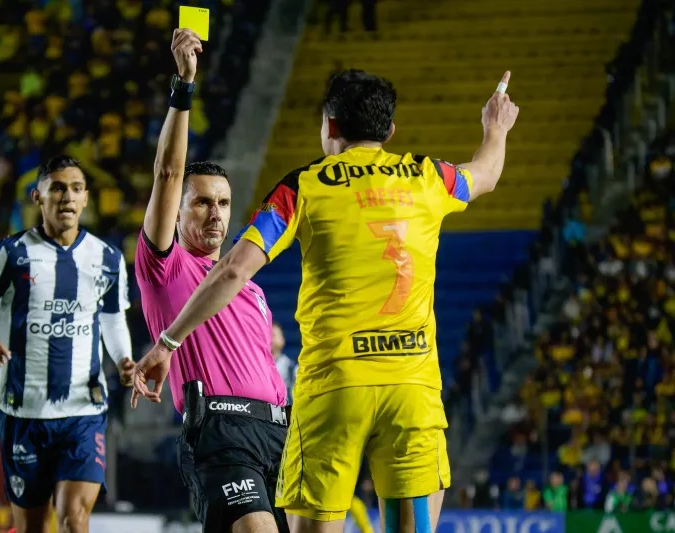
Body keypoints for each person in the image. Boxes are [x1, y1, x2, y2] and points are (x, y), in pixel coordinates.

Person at [132, 68, 519, 533]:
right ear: (389, 131)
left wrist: (167, 342)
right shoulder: (428, 176)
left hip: (333, 392)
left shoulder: (304, 186)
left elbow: (233, 270)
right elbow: (487, 173)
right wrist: (495, 127)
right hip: (412, 392)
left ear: (330, 126)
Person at [132, 29, 288, 533]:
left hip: (282, 435)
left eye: (223, 202)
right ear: (177, 213)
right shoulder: (165, 267)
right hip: (221, 433)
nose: (216, 213)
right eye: (201, 201)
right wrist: (184, 87)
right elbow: (167, 172)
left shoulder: (251, 286)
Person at [0, 155, 135, 533]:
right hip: (23, 411)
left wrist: (123, 359)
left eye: (75, 188)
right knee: (33, 528)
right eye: (57, 187)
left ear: (86, 198)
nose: (66, 196)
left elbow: (112, 317)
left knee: (74, 519)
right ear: (38, 196)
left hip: (82, 411)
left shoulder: (107, 258)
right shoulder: (13, 253)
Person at [272, 322, 297, 403]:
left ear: (282, 340)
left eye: (273, 335)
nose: (269, 339)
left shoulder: (293, 369)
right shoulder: (256, 368)